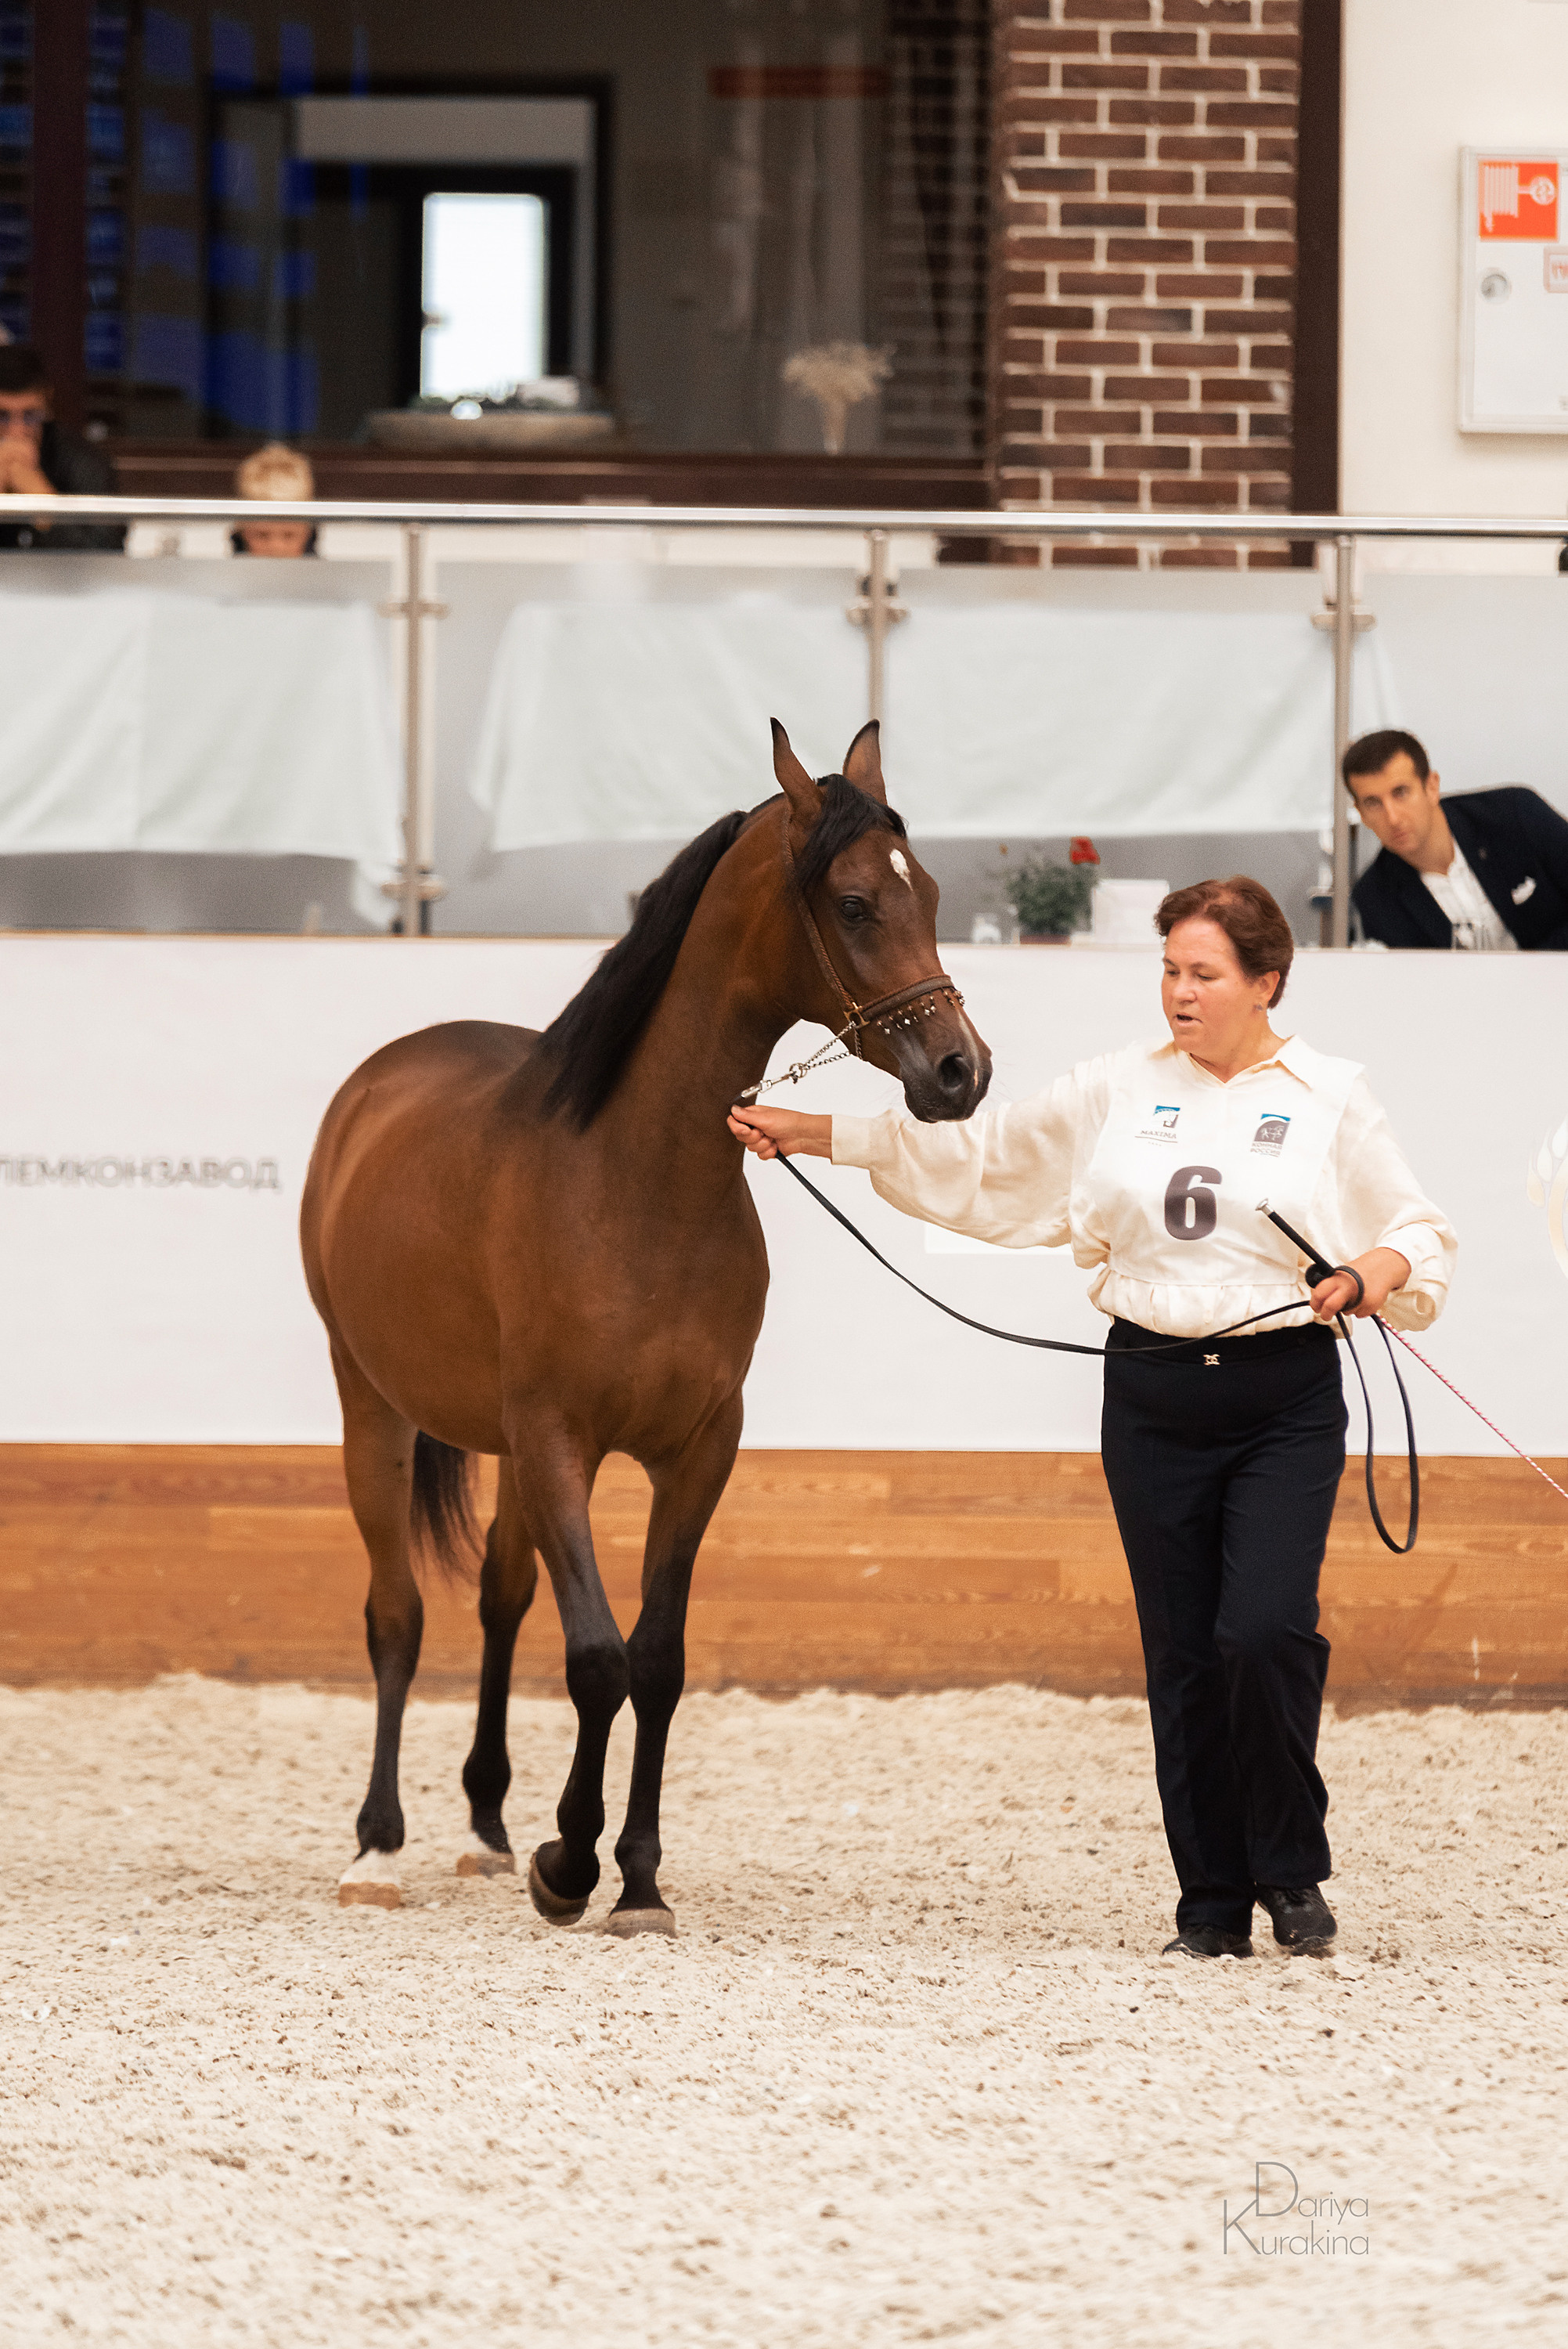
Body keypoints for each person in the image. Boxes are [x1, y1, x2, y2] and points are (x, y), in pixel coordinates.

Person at [728, 877, 1455, 1963]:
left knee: (1259, 1632)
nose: (1178, 991)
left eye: (1202, 973)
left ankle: (1287, 1869)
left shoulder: (1327, 1094)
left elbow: (1414, 1228)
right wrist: (817, 1132)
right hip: (1151, 1394)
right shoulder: (1113, 1088)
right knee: (1180, 1654)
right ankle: (1208, 1900)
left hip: (1281, 1398)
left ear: (1264, 981)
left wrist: (1367, 1270)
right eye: (1167, 969)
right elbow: (982, 1158)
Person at [1345, 728, 1568, 951]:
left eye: (1401, 793)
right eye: (1373, 803)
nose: (1392, 818)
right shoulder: (1375, 898)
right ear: (1361, 813)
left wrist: (1530, 975)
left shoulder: (1515, 815)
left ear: (1432, 787)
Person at [0, 342, 124, 550]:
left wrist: (42, 503)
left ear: (47, 404)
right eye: (1, 416)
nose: (16, 432)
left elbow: (104, 557)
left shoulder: (83, 460)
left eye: (30, 416)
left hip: (56, 583)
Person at [232, 441, 318, 557]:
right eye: (262, 535)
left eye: (289, 535)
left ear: (308, 534)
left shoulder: (331, 574)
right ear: (242, 532)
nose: (276, 548)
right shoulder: (216, 573)